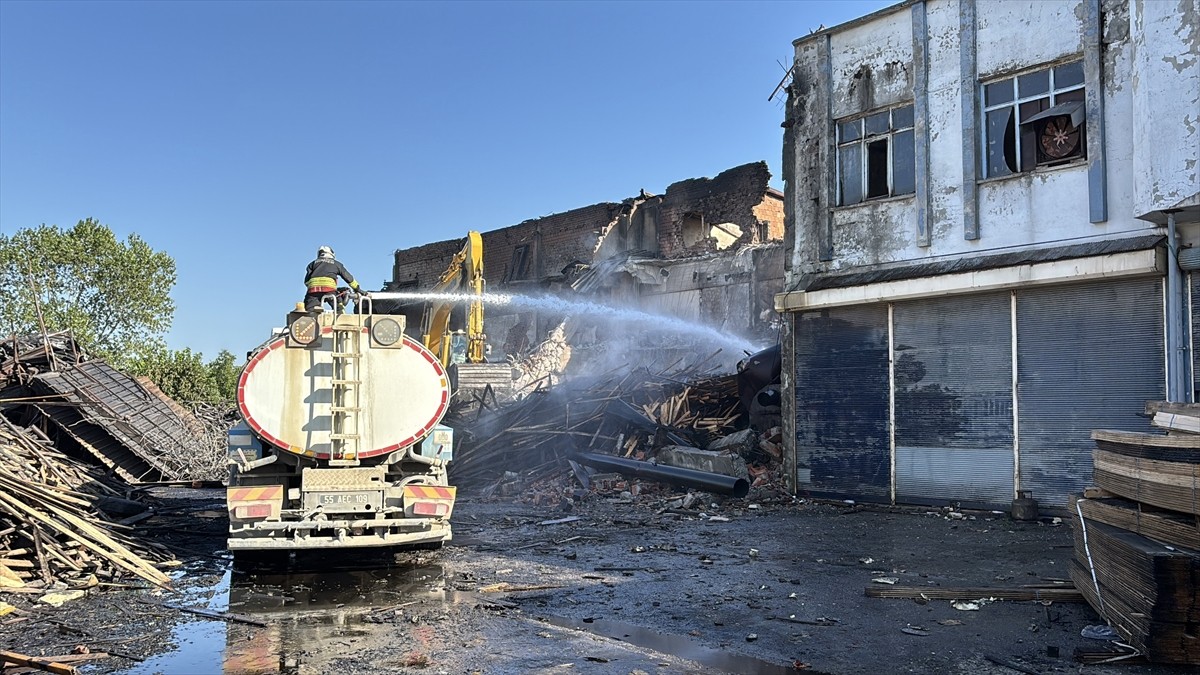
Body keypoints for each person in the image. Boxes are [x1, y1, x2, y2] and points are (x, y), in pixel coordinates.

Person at [304, 246, 367, 313]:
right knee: (339, 309)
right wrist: (357, 289)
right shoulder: (336, 264)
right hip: (329, 291)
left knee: (309, 312)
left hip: (313, 292)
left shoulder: (312, 264)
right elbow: (348, 278)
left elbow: (306, 281)